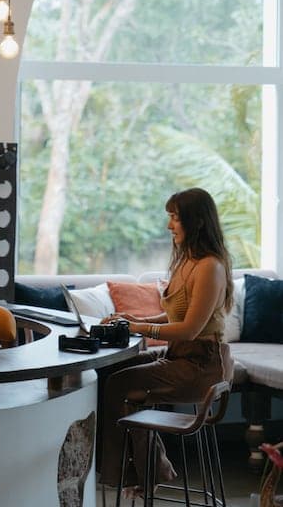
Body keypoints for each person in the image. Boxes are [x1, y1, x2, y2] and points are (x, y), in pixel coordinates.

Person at [98, 187, 234, 496]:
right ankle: (149, 471)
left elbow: (189, 329)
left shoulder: (210, 267)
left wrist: (138, 327)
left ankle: (132, 474)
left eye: (175, 218)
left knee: (120, 386)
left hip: (202, 365)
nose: (169, 225)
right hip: (180, 356)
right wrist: (133, 318)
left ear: (197, 222)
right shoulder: (186, 261)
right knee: (110, 372)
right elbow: (174, 316)